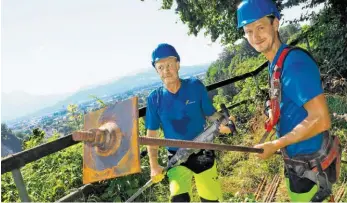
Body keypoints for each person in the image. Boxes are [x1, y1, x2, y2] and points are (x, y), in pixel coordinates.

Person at [236, 0, 341, 202]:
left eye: (260, 27)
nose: (255, 36)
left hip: (310, 166)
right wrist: (273, 112)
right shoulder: (276, 62)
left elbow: (321, 119)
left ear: (275, 24)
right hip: (298, 162)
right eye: (248, 31)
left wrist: (275, 144)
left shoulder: (294, 64)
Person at [145, 43, 233, 202]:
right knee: (179, 200)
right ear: (156, 71)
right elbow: (152, 135)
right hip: (176, 158)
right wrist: (154, 165)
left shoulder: (194, 86)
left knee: (211, 200)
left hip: (202, 152)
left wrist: (224, 122)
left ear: (178, 64)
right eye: (160, 67)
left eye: (170, 65)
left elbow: (210, 114)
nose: (166, 70)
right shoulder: (154, 99)